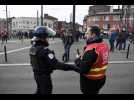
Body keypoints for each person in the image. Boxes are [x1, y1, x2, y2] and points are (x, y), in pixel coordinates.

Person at [29, 26, 80, 94]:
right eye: (47, 37)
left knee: (39, 91)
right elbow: (57, 65)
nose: (48, 39)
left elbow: (33, 62)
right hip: (44, 77)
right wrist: (73, 67)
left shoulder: (33, 48)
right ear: (42, 38)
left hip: (37, 75)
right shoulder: (44, 51)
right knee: (46, 91)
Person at [75, 26, 110, 94]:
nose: (85, 35)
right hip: (101, 78)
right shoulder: (104, 45)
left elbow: (83, 69)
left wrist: (77, 59)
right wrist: (83, 57)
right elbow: (97, 59)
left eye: (87, 33)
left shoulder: (92, 49)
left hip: (90, 81)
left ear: (93, 35)